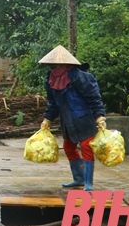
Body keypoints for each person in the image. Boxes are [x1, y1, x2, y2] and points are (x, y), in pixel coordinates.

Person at [39, 45, 106, 191]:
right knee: (69, 148)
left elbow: (94, 98)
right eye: (51, 66)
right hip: (67, 120)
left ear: (65, 65)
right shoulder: (51, 80)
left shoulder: (81, 78)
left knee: (86, 147)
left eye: (56, 66)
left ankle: (88, 182)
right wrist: (47, 119)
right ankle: (79, 178)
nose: (53, 69)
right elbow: (53, 103)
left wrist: (99, 116)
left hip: (83, 117)